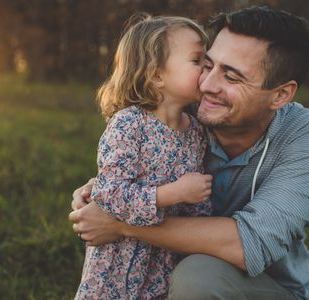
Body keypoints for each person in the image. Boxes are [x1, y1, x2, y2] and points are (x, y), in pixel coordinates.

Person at [70, 6, 309, 300]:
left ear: (281, 95)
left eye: (232, 77)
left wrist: (120, 224)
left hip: (267, 288)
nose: (208, 85)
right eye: (207, 64)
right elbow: (132, 170)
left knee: (197, 277)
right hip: (160, 274)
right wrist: (97, 190)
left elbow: (250, 244)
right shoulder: (180, 114)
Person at [73, 14, 213, 299]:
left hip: (163, 259)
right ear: (157, 74)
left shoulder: (197, 132)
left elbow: (194, 204)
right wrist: (171, 194)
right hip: (117, 263)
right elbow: (110, 194)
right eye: (197, 60)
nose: (207, 69)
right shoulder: (129, 123)